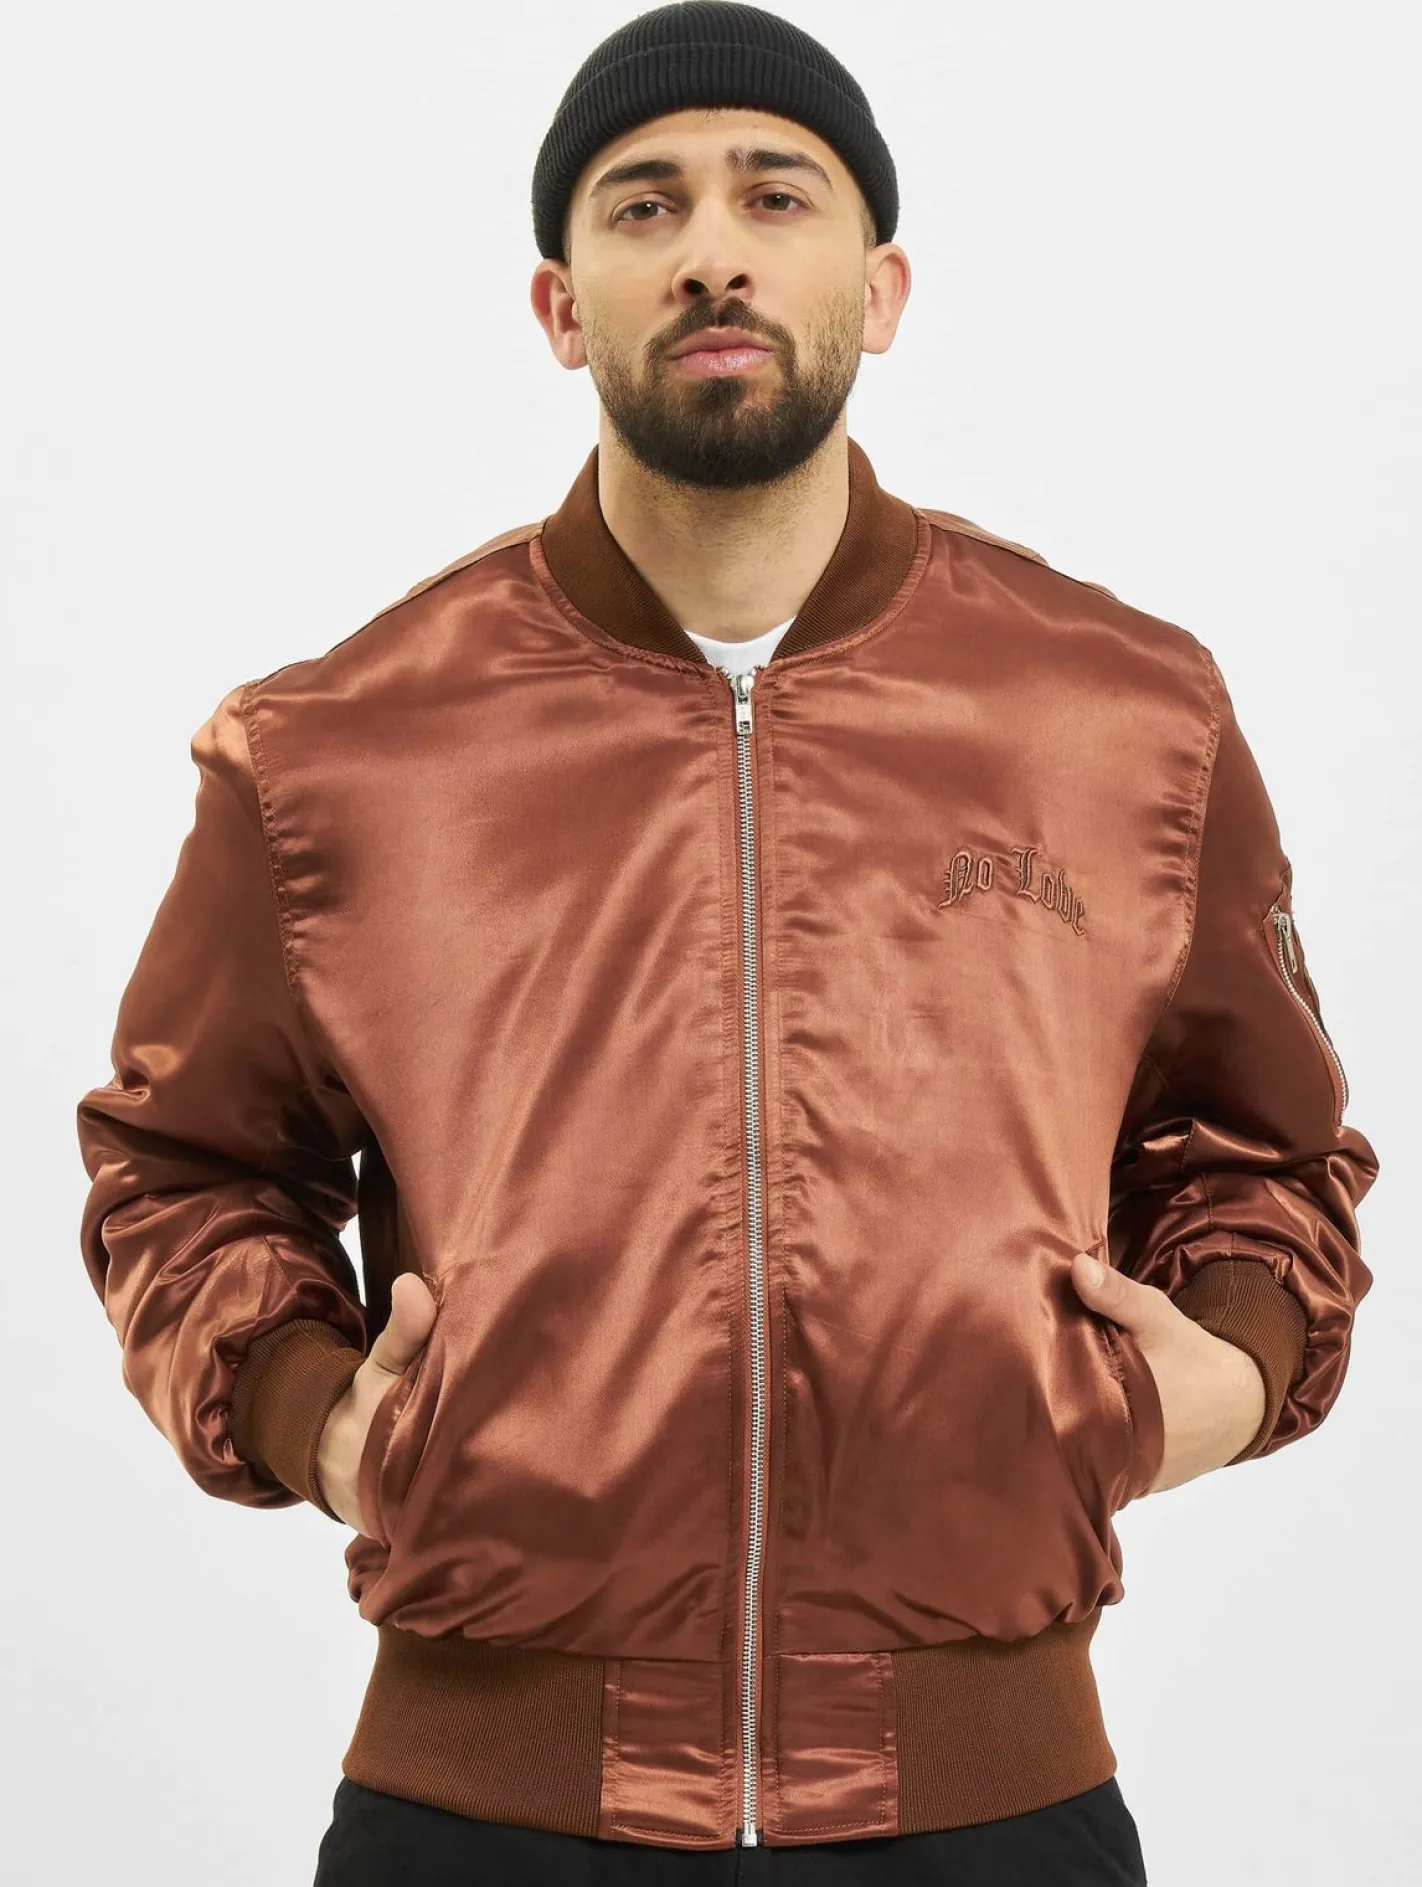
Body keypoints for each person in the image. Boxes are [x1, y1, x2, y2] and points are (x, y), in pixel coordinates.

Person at [74, 4, 1379, 1883]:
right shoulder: (337, 751)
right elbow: (179, 1163)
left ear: (881, 286)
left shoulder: (1122, 720)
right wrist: (313, 1411)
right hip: (478, 1812)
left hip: (994, 1805)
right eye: (643, 204)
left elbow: (1267, 1149)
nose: (712, 250)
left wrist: (1229, 1372)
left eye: (776, 195)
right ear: (560, 306)